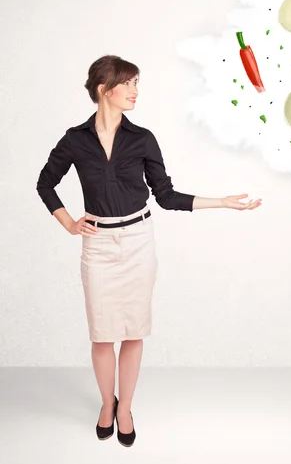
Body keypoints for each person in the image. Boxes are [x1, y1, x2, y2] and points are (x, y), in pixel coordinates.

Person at [36, 55, 261, 447]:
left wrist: (221, 202)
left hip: (139, 242)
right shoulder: (75, 139)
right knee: (103, 335)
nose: (136, 91)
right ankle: (107, 403)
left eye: (138, 83)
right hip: (98, 244)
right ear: (105, 90)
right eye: (129, 84)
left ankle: (126, 409)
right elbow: (45, 183)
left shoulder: (142, 139)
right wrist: (69, 222)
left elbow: (167, 196)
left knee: (134, 330)